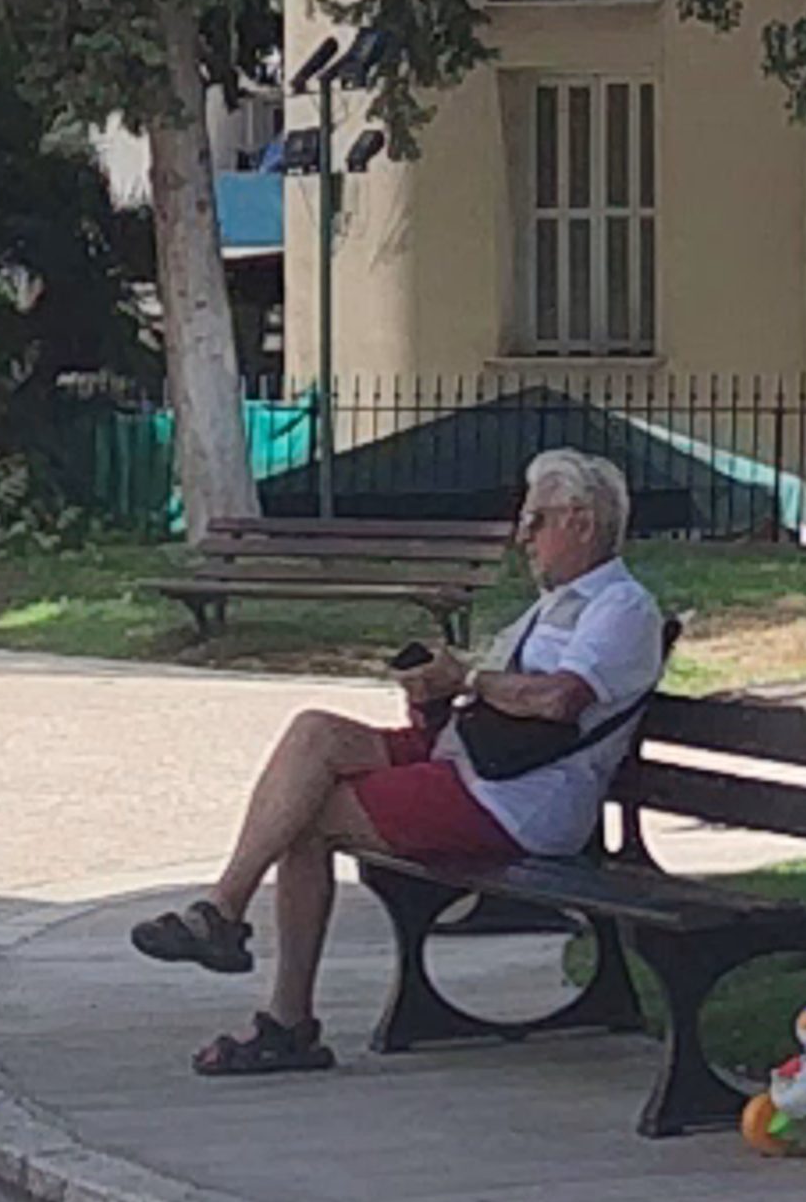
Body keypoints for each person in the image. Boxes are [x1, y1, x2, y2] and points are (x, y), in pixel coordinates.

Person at [130, 447, 666, 1078]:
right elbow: (498, 697)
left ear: (581, 520)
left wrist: (467, 677)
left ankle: (280, 1010)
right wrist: (436, 688)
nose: (524, 536)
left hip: (518, 800)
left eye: (536, 520)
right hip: (477, 762)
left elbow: (559, 699)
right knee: (314, 733)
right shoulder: (553, 606)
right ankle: (226, 916)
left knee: (307, 816)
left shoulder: (622, 610)